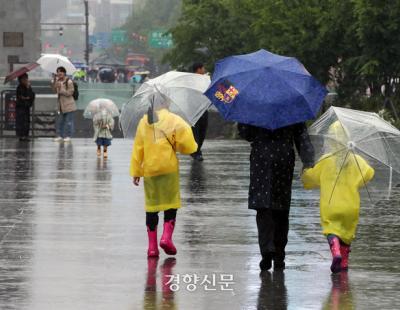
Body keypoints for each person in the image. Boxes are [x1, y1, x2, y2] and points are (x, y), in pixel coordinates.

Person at [238, 123, 314, 271]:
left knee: (263, 205)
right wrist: (308, 160)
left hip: (261, 158)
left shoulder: (255, 105)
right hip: (283, 158)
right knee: (282, 207)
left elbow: (247, 134)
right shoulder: (292, 106)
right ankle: (279, 255)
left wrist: (244, 124)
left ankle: (267, 249)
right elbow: (301, 135)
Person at [130, 92, 197, 257]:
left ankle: (152, 248)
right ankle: (166, 238)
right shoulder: (174, 120)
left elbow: (138, 148)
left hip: (150, 170)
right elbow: (188, 145)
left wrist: (137, 171)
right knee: (171, 204)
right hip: (168, 168)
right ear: (166, 102)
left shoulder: (144, 121)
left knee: (151, 208)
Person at [302, 121, 374, 273]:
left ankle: (335, 248)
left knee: (331, 229)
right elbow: (369, 173)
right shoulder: (356, 160)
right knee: (347, 233)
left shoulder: (325, 160)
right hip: (351, 207)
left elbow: (310, 178)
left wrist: (305, 171)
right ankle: (344, 262)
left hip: (331, 205)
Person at [52, 66, 77, 143]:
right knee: (61, 121)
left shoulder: (69, 81)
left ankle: (69, 136)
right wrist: (55, 84)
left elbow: (70, 92)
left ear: (64, 73)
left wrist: (61, 90)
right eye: (58, 71)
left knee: (69, 122)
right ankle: (60, 136)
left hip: (69, 105)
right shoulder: (58, 81)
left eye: (61, 71)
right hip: (61, 105)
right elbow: (54, 91)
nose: (59, 73)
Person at [191, 62, 208, 161]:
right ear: (198, 69)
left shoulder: (205, 80)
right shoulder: (191, 81)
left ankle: (197, 150)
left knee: (202, 132)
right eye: (203, 68)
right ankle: (196, 152)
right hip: (194, 111)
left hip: (204, 110)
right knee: (195, 133)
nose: (204, 70)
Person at [15, 73, 35, 141]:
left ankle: (26, 135)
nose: (25, 80)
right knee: (21, 121)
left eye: (26, 78)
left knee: (26, 121)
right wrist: (26, 98)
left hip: (26, 107)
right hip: (20, 107)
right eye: (23, 79)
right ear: (20, 80)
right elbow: (21, 97)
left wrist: (28, 88)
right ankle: (21, 135)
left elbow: (31, 96)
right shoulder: (19, 87)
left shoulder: (29, 87)